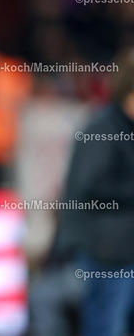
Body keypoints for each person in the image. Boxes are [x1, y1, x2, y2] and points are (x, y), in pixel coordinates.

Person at [58, 49, 134, 336]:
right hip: (107, 253)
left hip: (120, 249)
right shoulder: (102, 129)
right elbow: (90, 187)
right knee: (106, 327)